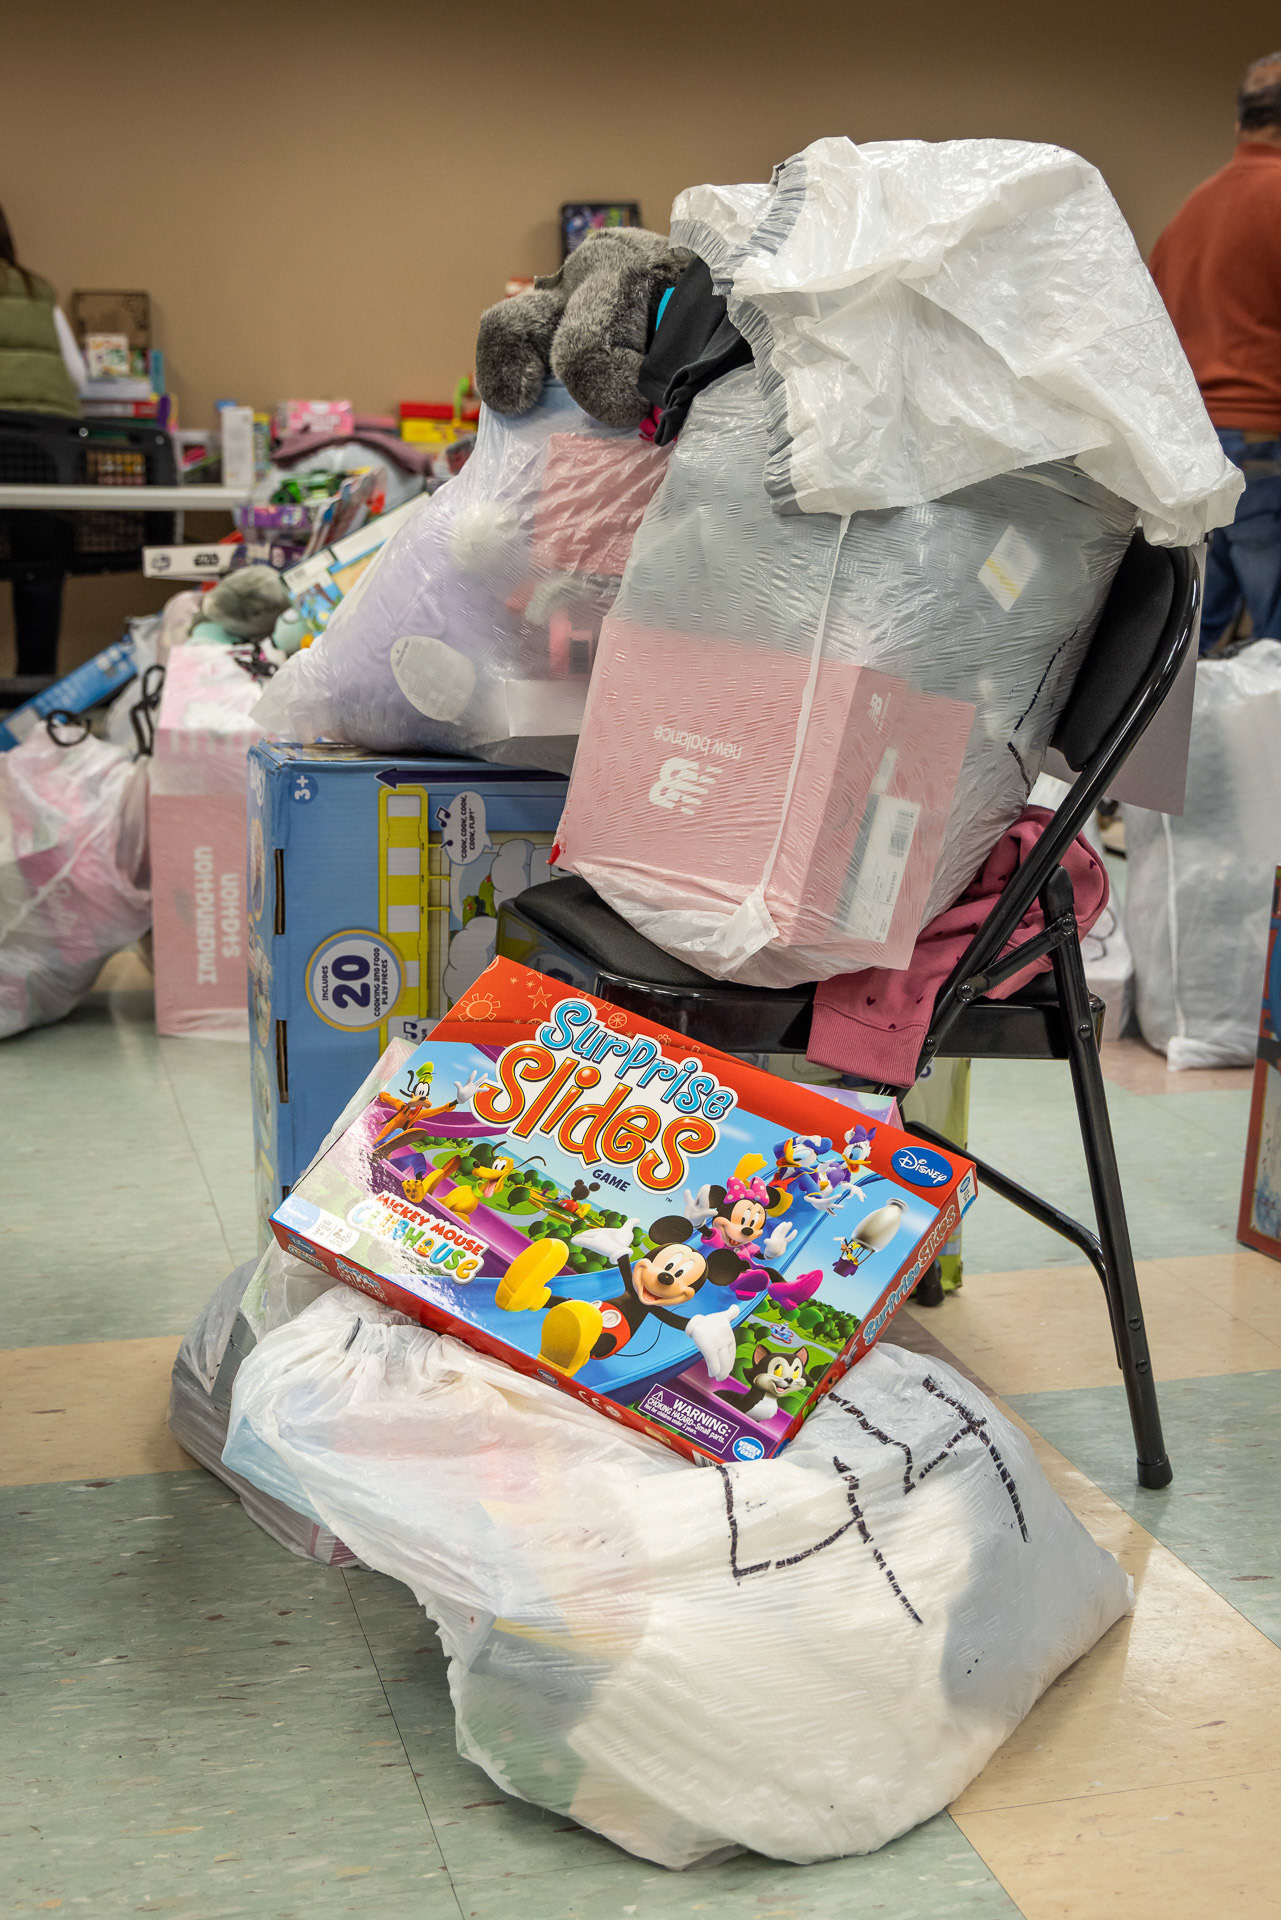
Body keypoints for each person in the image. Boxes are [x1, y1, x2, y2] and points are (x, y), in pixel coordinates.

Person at [1150, 55, 1281, 652]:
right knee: (1273, 651)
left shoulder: (1190, 214)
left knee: (1192, 646)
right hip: (1265, 444)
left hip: (1197, 456)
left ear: (1239, 125)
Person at [0, 202, 87, 677]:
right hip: (42, 455)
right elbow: (78, 376)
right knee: (38, 573)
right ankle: (33, 689)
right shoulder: (37, 291)